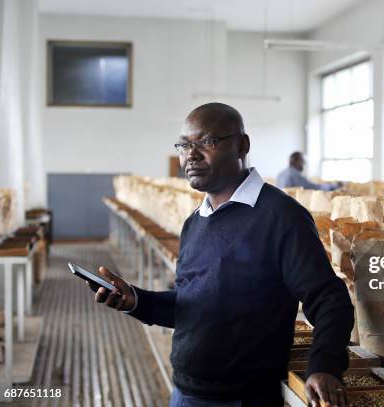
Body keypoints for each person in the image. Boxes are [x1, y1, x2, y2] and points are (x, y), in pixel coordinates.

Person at [88, 103, 354, 407]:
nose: (191, 154)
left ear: (242, 145)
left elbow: (330, 299)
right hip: (186, 392)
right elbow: (192, 305)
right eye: (185, 145)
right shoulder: (195, 223)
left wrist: (324, 367)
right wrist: (135, 300)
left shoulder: (280, 217)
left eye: (207, 142)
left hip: (243, 398)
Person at [277, 152, 342, 190]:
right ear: (298, 162)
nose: (303, 164)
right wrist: (334, 185)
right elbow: (314, 188)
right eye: (302, 161)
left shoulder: (281, 174)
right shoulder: (295, 175)